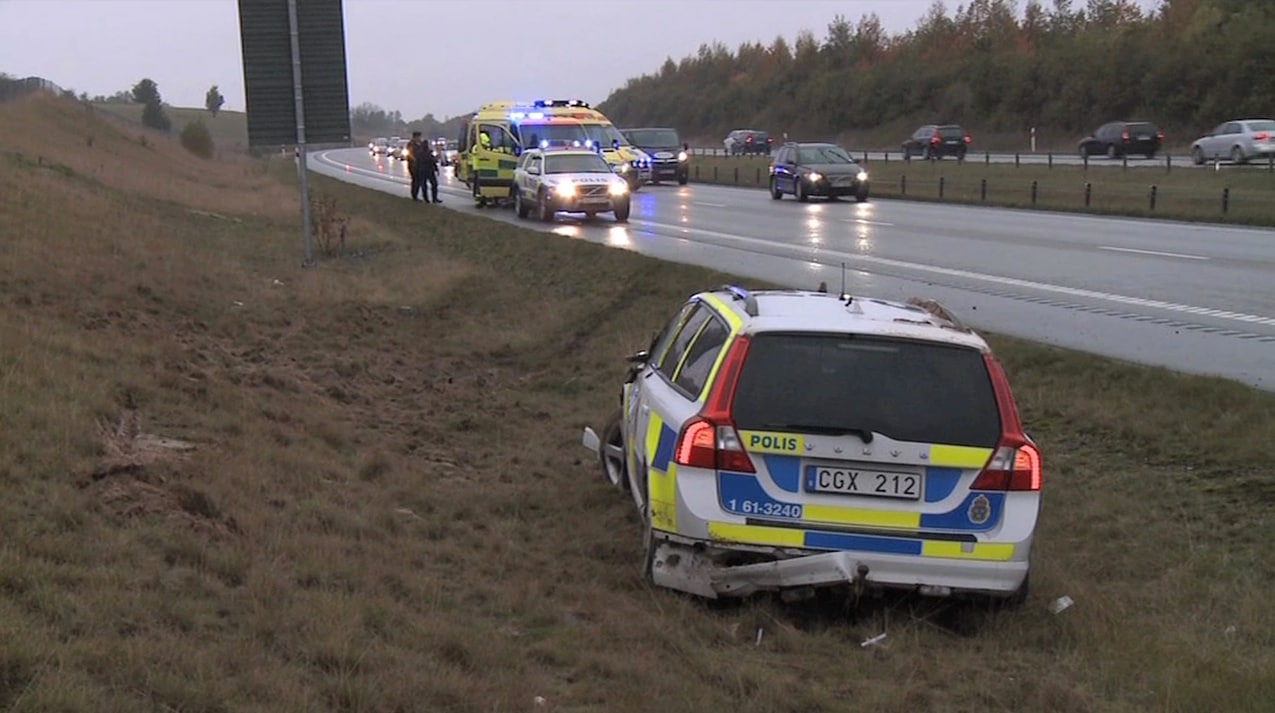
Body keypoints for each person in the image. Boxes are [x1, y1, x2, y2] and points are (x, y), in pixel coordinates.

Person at [407, 131, 428, 201]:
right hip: (413, 164)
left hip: (419, 164)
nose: (420, 138)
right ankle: (414, 195)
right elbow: (409, 153)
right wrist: (414, 159)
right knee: (415, 180)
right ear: (415, 137)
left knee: (418, 180)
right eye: (419, 137)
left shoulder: (420, 144)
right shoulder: (411, 144)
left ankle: (416, 194)